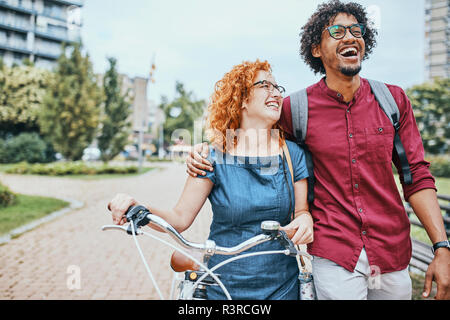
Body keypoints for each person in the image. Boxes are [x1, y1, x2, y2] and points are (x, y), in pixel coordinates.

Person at [186, 0, 450, 300]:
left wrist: (441, 247)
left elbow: (416, 173)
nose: (350, 37)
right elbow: (251, 136)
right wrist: (206, 148)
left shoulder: (393, 101)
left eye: (356, 30)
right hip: (335, 254)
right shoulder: (295, 109)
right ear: (316, 49)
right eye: (337, 31)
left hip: (391, 252)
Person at [108, 60, 313, 300]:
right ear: (242, 99)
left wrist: (306, 220)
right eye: (265, 85)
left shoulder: (292, 154)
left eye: (278, 88)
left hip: (282, 286)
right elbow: (179, 218)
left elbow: (302, 211)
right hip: (222, 284)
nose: (276, 93)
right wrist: (136, 207)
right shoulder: (212, 157)